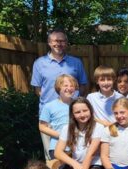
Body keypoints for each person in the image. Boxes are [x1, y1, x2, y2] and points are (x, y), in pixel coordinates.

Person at [31, 28, 88, 160]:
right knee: (52, 157)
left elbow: (83, 86)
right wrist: (53, 106)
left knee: (77, 154)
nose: (59, 43)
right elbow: (38, 90)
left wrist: (73, 103)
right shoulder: (39, 63)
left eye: (62, 41)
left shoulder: (76, 63)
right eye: (55, 41)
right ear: (49, 43)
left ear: (66, 43)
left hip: (73, 115)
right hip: (50, 119)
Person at [39, 74, 79, 160]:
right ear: (58, 87)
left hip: (78, 147)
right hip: (57, 147)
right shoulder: (49, 106)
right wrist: (62, 135)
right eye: (65, 85)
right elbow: (42, 127)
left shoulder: (78, 104)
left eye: (72, 86)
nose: (69, 88)